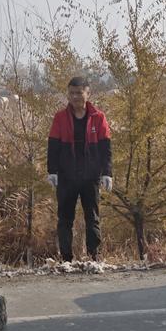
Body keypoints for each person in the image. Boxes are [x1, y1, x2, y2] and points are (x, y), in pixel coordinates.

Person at [46, 76, 113, 261]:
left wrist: (107, 173)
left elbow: (106, 148)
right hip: (67, 177)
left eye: (79, 93)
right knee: (65, 219)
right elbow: (53, 146)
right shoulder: (60, 117)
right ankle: (66, 259)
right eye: (71, 93)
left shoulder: (98, 117)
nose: (75, 97)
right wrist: (52, 170)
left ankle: (94, 257)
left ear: (87, 93)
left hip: (91, 176)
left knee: (92, 218)